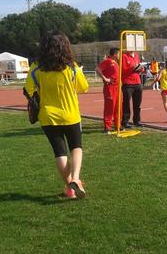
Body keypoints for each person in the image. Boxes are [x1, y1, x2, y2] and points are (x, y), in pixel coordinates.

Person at [24, 31, 89, 199]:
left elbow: (28, 90)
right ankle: (75, 178)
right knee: (76, 147)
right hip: (71, 114)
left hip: (47, 116)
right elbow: (84, 87)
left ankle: (70, 189)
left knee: (59, 152)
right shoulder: (72, 67)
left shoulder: (36, 68)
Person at [95, 48, 120, 134]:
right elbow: (98, 69)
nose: (119, 55)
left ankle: (118, 126)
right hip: (110, 87)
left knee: (118, 106)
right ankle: (107, 127)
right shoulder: (108, 61)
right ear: (115, 54)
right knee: (110, 106)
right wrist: (105, 78)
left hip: (117, 87)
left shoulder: (115, 62)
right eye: (119, 54)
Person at [121, 50, 144, 128]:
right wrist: (133, 68)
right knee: (126, 103)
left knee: (137, 103)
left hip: (137, 82)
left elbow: (138, 69)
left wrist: (140, 69)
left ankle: (137, 120)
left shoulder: (136, 56)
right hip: (128, 82)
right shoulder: (124, 56)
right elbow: (123, 69)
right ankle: (125, 121)